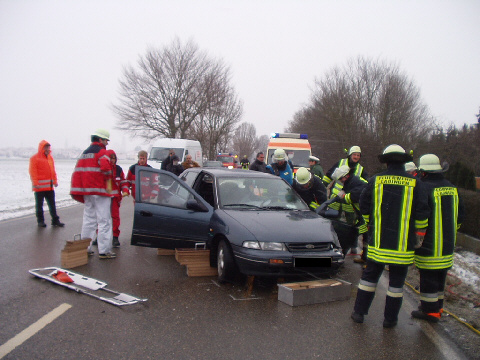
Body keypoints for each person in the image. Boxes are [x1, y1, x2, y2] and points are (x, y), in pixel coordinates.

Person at [351, 144, 430, 328]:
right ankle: (390, 319)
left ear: (386, 162)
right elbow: (422, 212)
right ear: (404, 163)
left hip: (378, 242)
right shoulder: (415, 183)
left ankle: (359, 313)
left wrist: (371, 224)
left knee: (369, 278)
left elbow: (364, 204)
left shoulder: (375, 180)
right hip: (402, 247)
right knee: (396, 285)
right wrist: (417, 235)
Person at [411, 154, 465, 323]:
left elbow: (421, 217)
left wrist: (416, 237)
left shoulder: (424, 188)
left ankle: (430, 311)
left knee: (428, 278)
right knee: (440, 277)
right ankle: (438, 307)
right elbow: (460, 215)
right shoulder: (451, 187)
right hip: (448, 245)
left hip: (430, 245)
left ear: (424, 172)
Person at [70, 129, 116, 259]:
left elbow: (78, 172)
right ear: (100, 139)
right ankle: (104, 250)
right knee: (104, 221)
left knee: (89, 220)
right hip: (101, 191)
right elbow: (106, 168)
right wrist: (108, 182)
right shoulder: (102, 152)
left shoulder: (84, 153)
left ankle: (86, 247)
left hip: (87, 192)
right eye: (106, 140)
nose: (107, 143)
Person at [328, 165, 368, 259]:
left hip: (367, 214)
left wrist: (344, 197)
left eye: (341, 179)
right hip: (363, 214)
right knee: (363, 234)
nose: (341, 181)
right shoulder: (351, 182)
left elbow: (355, 196)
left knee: (359, 233)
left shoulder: (355, 183)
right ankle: (365, 258)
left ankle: (367, 261)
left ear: (346, 176)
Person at [323, 146, 369, 227]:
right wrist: (322, 185)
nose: (356, 157)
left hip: (349, 202)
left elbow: (365, 185)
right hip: (335, 198)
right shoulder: (341, 162)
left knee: (349, 224)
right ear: (350, 155)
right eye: (354, 154)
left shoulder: (361, 169)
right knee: (332, 222)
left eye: (358, 155)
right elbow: (329, 175)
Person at [29, 140, 64, 228]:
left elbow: (53, 171)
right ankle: (40, 221)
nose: (48, 149)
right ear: (42, 147)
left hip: (49, 187)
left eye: (48, 147)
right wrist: (35, 183)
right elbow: (33, 172)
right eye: (46, 147)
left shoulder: (50, 158)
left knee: (52, 205)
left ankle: (55, 220)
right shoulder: (34, 158)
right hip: (39, 187)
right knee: (39, 205)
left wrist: (55, 181)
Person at [107, 150, 130, 248]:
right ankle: (99, 237)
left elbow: (123, 182)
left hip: (115, 199)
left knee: (115, 218)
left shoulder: (118, 169)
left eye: (114, 158)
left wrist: (125, 190)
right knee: (102, 218)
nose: (112, 160)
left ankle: (115, 237)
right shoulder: (104, 169)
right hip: (104, 198)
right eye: (111, 158)